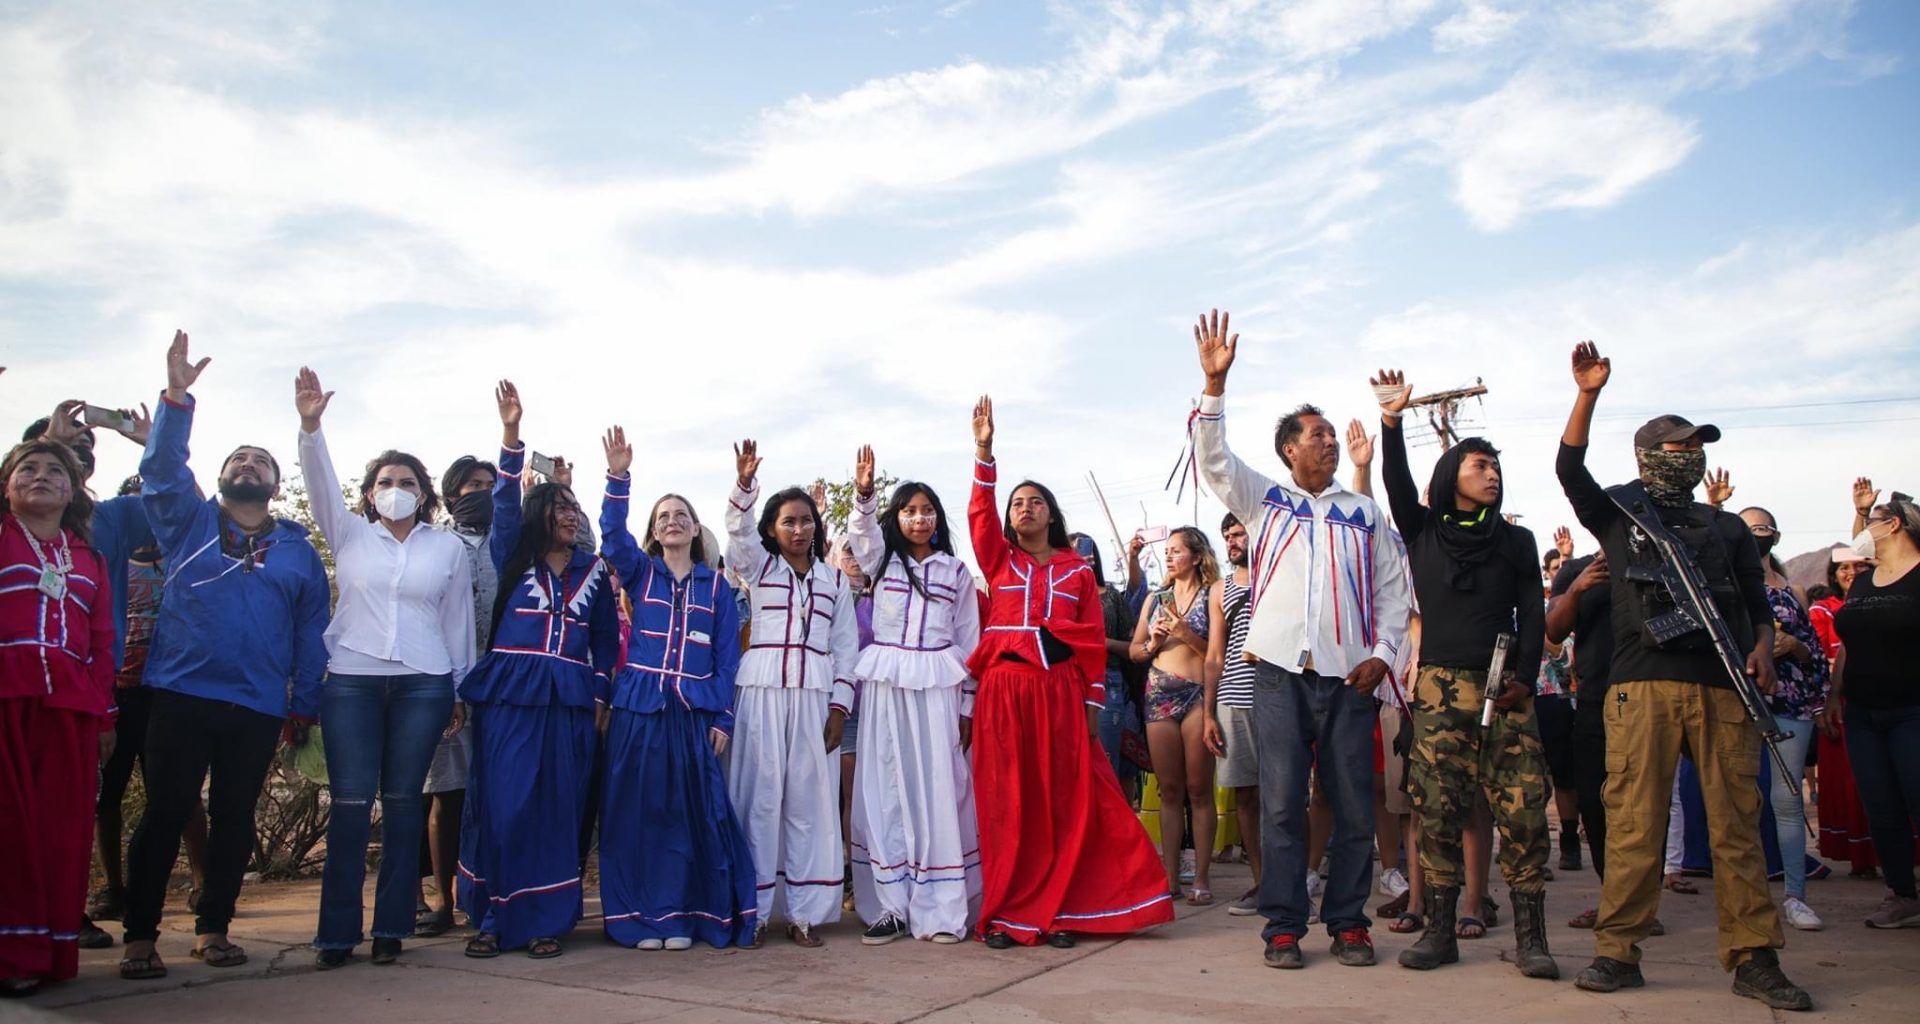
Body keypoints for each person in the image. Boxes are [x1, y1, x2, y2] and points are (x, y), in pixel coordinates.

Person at [1555, 341, 1809, 1010]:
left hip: (1725, 687)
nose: (1690, 457)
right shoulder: (1620, 511)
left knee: (1736, 823)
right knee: (1635, 821)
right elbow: (1568, 467)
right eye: (1678, 447)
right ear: (1648, 456)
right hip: (1642, 686)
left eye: (1696, 447)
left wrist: (1760, 645)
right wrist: (1588, 394)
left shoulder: (1725, 526)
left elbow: (1755, 602)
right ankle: (1618, 951)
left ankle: (1754, 956)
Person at [1189, 311, 1412, 969]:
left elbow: (1395, 596)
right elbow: (1214, 459)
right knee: (1282, 805)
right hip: (1278, 674)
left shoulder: (1365, 514)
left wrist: (1382, 656)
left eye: (1329, 437)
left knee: (1351, 809)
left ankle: (1348, 923)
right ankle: (1283, 927)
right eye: (1315, 436)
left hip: (1349, 680)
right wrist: (1213, 384)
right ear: (1289, 449)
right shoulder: (1266, 502)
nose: (1327, 444)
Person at [122, 331, 330, 980]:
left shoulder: (297, 549)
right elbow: (160, 472)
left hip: (257, 704)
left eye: (260, 462)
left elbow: (311, 631)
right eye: (238, 460)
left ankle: (214, 928)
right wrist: (177, 399)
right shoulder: (185, 523)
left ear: (274, 483)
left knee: (235, 819)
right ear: (220, 479)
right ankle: (138, 936)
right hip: (180, 694)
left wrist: (303, 704)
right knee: (164, 813)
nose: (248, 466)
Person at [967, 396, 1174, 948]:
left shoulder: (1078, 572)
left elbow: (1090, 654)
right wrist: (985, 452)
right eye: (1017, 504)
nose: (1025, 510)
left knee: (1063, 804)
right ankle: (1009, 913)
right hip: (1005, 692)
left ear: (1052, 514)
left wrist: (1090, 708)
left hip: (1060, 693)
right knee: (1010, 803)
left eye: (1035, 503)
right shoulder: (998, 561)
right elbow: (979, 516)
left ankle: (1061, 911)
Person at [1371, 369, 1556, 979]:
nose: (1492, 473)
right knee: (1438, 811)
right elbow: (1396, 485)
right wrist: (1391, 422)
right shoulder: (1423, 530)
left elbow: (1533, 611)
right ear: (1452, 477)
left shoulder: (1518, 540)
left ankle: (1533, 939)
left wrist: (1525, 676)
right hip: (1439, 691)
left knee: (1524, 812)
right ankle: (1441, 933)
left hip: (1506, 692)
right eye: (1479, 465)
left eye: (1495, 467)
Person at [295, 367, 474, 968]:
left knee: (402, 804)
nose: (394, 488)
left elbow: (457, 624)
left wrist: (457, 689)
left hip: (425, 683)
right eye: (383, 481)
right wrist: (311, 428)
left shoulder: (445, 547)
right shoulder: (348, 533)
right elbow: (318, 482)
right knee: (350, 804)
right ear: (369, 492)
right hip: (351, 681)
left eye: (405, 481)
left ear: (423, 492)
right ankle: (336, 934)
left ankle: (392, 927)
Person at [453, 385, 616, 959]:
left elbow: (604, 638)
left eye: (574, 509)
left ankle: (546, 919)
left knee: (559, 805)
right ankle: (494, 917)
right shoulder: (511, 555)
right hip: (512, 696)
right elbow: (501, 507)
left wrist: (600, 696)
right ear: (539, 515)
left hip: (569, 697)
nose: (569, 518)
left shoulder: (593, 570)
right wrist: (511, 438)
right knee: (505, 800)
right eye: (560, 509)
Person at [596, 427, 757, 950]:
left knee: (690, 817)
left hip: (693, 716)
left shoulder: (717, 586)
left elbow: (727, 661)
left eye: (681, 515)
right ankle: (643, 920)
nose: (672, 521)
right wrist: (618, 477)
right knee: (638, 813)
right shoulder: (640, 574)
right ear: (654, 530)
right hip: (640, 710)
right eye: (663, 515)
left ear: (695, 529)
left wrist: (723, 720)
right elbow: (612, 537)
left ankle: (684, 917)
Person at [844, 448, 984, 944]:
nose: (919, 519)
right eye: (909, 510)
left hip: (939, 690)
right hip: (885, 686)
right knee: (886, 788)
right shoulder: (881, 562)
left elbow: (969, 642)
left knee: (939, 789)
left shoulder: (956, 572)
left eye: (927, 511)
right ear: (896, 518)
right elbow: (860, 536)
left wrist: (967, 705)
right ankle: (892, 904)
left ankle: (944, 906)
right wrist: (864, 494)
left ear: (938, 519)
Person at [724, 440, 860, 948]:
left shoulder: (832, 581)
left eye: (806, 521)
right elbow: (737, 532)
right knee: (759, 800)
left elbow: (846, 646)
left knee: (807, 803)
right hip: (760, 690)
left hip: (813, 698)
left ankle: (802, 913)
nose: (799, 529)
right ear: (773, 530)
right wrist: (744, 485)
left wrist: (839, 708)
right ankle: (754, 912)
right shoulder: (758, 568)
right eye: (788, 522)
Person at [0, 439, 115, 997]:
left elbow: (101, 642)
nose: (41, 477)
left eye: (55, 471)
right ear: (8, 485)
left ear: (73, 491)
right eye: (28, 468)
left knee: (58, 833)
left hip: (68, 709)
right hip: (7, 696)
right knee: (8, 829)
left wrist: (105, 716)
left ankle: (43, 952)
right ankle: (10, 954)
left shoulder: (88, 560)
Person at [90, 478, 207, 931]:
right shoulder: (109, 561)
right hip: (117, 691)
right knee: (106, 796)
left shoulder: (182, 560)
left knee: (181, 792)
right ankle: (112, 887)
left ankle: (203, 880)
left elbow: (200, 514)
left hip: (168, 690)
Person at [415, 452, 498, 938]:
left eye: (491, 483)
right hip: (446, 683)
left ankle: (482, 894)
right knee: (446, 793)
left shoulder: (509, 541)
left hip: (502, 682)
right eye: (473, 485)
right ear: (450, 496)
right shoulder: (435, 544)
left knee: (493, 793)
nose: (483, 491)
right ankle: (441, 901)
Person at [1737, 505, 1830, 931]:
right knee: (1737, 803)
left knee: (1786, 800)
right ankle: (1744, 897)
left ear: (1774, 536)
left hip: (1789, 705)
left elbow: (1814, 658)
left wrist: (1791, 645)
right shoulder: (1727, 587)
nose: (1754, 535)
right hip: (1738, 704)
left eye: (1762, 528)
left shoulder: (1793, 591)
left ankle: (1794, 896)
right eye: (1746, 528)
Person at [1832, 491, 1920, 929]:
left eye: (1873, 521)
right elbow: (1849, 644)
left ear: (1896, 525)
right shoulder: (1864, 581)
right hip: (1863, 713)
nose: (1866, 530)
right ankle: (1903, 895)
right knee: (1881, 806)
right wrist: (1834, 695)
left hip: (1912, 710)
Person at [1132, 526, 1226, 903]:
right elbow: (1136, 652)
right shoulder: (1156, 598)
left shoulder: (1213, 594)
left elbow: (1217, 655)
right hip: (1158, 695)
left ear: (1197, 556)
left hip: (1197, 696)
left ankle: (1201, 877)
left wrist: (1186, 634)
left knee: (1199, 789)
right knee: (1169, 790)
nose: (1169, 556)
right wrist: (1153, 642)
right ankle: (1170, 877)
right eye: (1167, 551)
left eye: (1176, 550)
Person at [1808, 550, 1883, 875]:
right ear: (1833, 574)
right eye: (1843, 567)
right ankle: (1862, 858)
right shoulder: (1824, 610)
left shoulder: (1884, 602)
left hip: (1889, 697)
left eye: (1859, 565)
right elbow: (1818, 656)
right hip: (1841, 702)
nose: (1852, 571)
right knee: (1855, 781)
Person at [1209, 513, 1265, 916]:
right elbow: (1214, 654)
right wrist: (1209, 712)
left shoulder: (1277, 574)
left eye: (1239, 533)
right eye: (1227, 535)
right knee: (1245, 794)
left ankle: (1292, 881)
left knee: (1286, 794)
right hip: (1233, 695)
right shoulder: (1220, 588)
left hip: (1278, 696)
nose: (1232, 541)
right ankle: (1263, 883)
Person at [1073, 532, 1146, 800]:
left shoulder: (1112, 597)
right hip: (1065, 681)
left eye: (1087, 556)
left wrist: (1101, 643)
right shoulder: (1058, 596)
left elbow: (1133, 646)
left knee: (1104, 763)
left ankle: (1112, 835)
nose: (1082, 561)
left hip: (1108, 682)